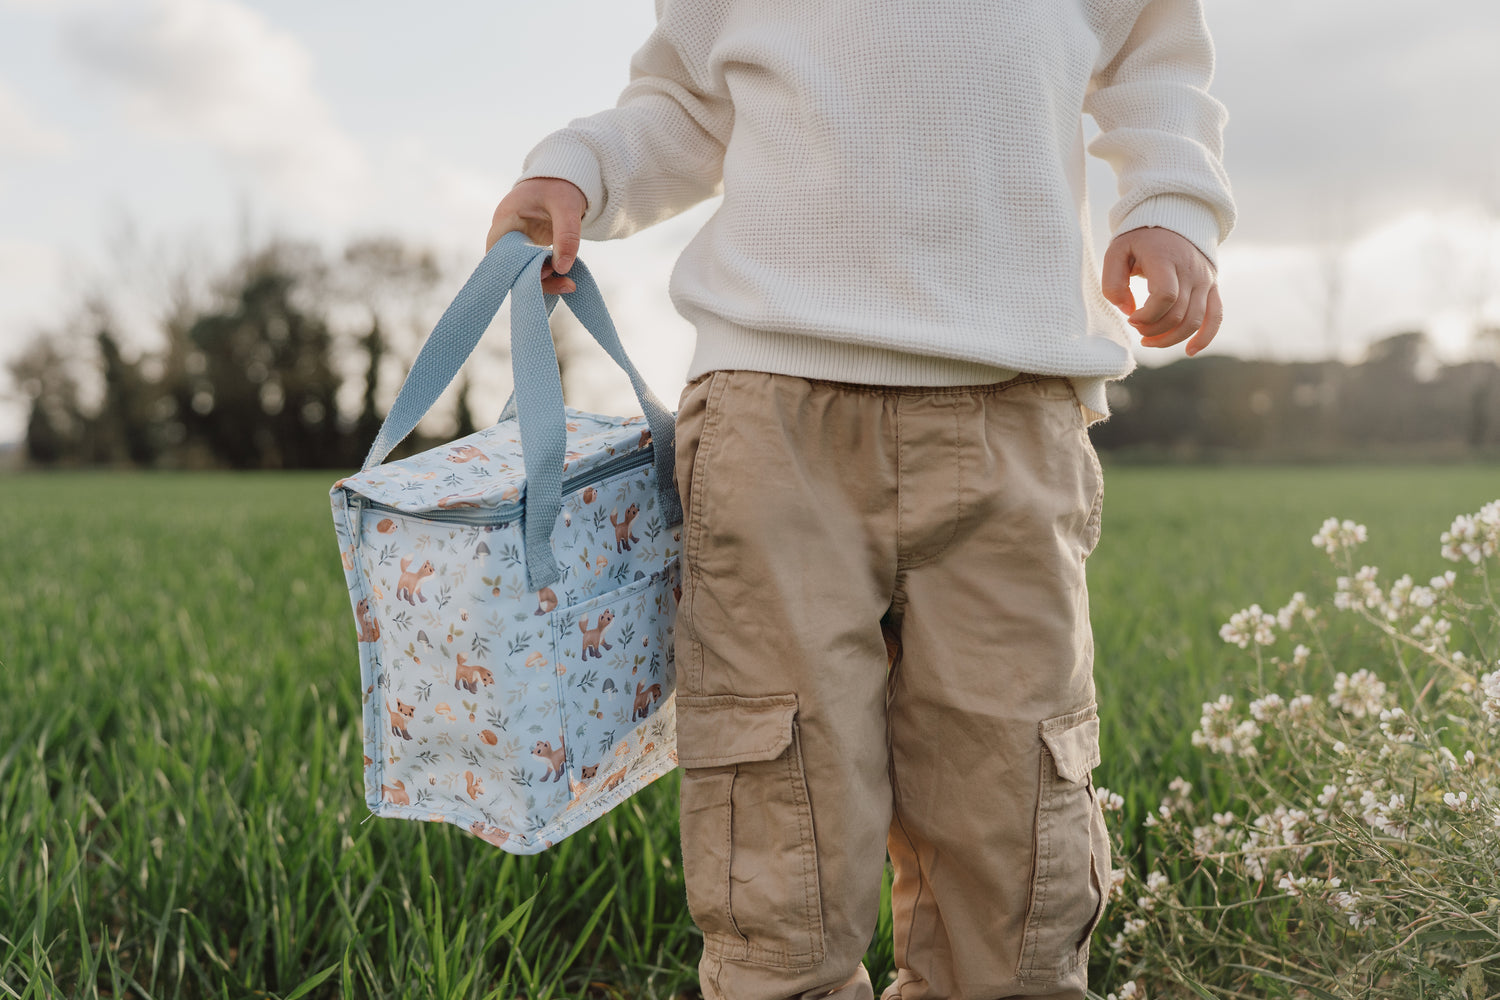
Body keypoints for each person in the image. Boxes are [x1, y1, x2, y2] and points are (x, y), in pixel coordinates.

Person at [486, 0, 1235, 997]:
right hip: (774, 416)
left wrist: (1170, 207)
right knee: (779, 788)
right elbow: (683, 102)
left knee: (1010, 792)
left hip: (1013, 408)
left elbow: (1155, 61)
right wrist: (581, 166)